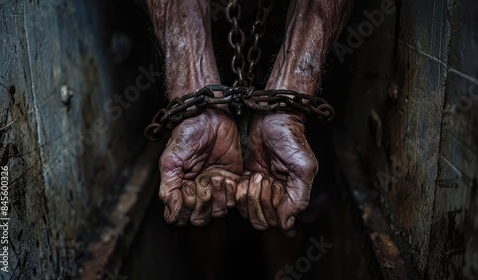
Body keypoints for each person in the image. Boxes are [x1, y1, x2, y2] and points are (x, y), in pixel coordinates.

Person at [145, 0, 353, 231]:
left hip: (293, 27)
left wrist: (290, 106)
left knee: (296, 191)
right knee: (199, 194)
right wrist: (195, 104)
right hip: (210, 24)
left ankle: (287, 250)